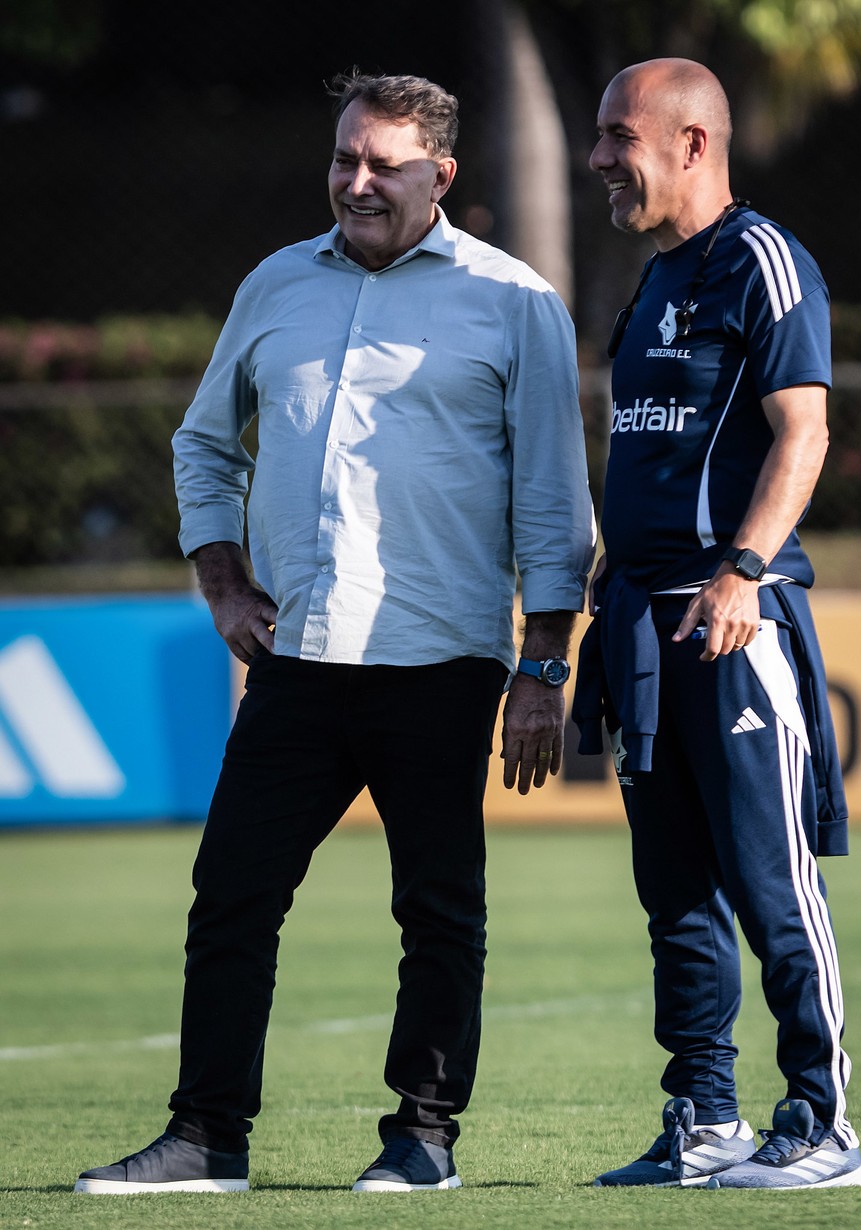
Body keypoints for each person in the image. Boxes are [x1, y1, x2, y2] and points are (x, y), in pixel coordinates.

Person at [74, 70, 594, 1196]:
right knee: (232, 898)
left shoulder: (514, 303)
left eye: (383, 164)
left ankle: (422, 1139)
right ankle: (208, 1139)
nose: (356, 183)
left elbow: (556, 508)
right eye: (344, 159)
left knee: (440, 911)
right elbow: (202, 445)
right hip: (298, 660)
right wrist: (222, 580)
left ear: (440, 175)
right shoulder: (274, 286)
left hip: (443, 660)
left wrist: (544, 667)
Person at [573, 58, 861, 1190]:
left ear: (694, 143)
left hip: (734, 620)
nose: (599, 156)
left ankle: (823, 1124)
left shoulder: (763, 261)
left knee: (769, 880)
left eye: (618, 134)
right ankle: (706, 1116)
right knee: (677, 893)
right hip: (644, 631)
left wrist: (744, 570)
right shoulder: (650, 282)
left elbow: (804, 432)